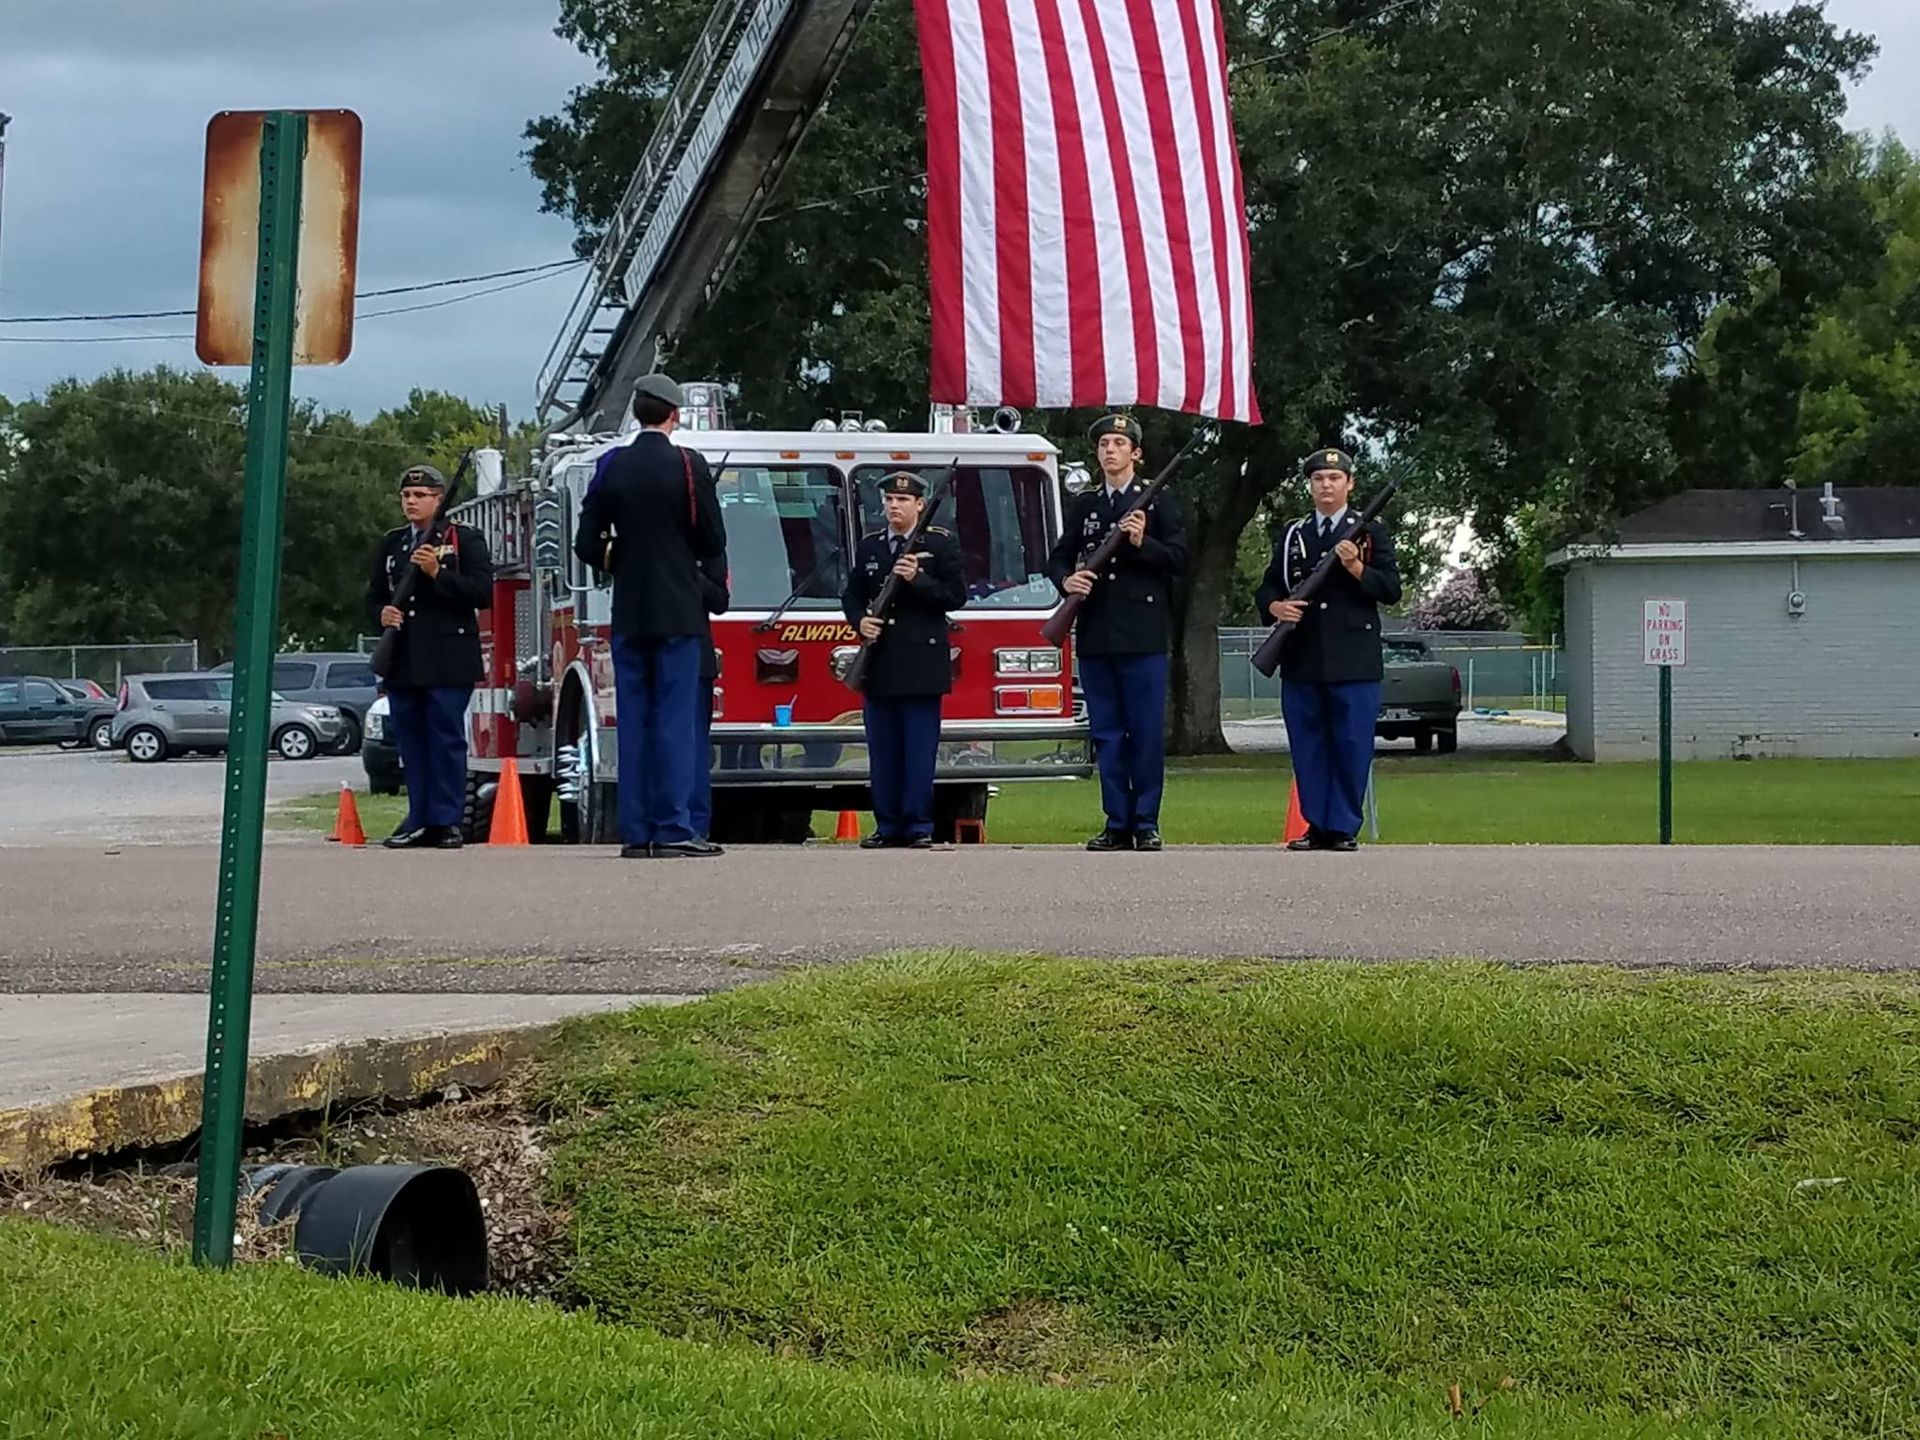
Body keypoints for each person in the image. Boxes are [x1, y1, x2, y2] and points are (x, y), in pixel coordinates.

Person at [575, 372, 727, 859]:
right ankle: (675, 827)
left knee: (636, 722)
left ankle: (637, 831)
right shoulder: (688, 464)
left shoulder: (610, 464)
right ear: (674, 413)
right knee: (676, 724)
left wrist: (621, 557)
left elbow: (586, 543)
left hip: (630, 611)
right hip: (679, 609)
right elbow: (712, 540)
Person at [1045, 414, 1188, 851]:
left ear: (1136, 453)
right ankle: (1115, 820)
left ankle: (1145, 822)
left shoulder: (1159, 502)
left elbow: (1179, 560)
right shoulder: (1087, 505)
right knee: (1106, 733)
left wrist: (1144, 542)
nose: (1110, 450)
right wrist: (1066, 582)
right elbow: (1058, 557)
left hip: (1142, 636)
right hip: (1096, 634)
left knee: (1143, 732)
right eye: (1104, 443)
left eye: (1119, 443)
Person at [1255, 447, 1403, 852]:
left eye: (1335, 479)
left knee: (1351, 744)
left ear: (1350, 484)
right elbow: (1269, 585)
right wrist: (1274, 607)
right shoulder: (1293, 535)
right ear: (1310, 485)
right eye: (1319, 478)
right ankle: (1316, 825)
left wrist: (1357, 568)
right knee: (1309, 745)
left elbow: (1390, 588)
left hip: (1352, 657)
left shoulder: (1370, 532)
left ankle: (1342, 827)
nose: (1326, 485)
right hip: (1303, 656)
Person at [365, 462, 495, 849]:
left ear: (439, 499)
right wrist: (381, 614)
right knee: (411, 742)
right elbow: (373, 595)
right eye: (406, 495)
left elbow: (480, 591)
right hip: (404, 656)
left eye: (420, 496)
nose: (411, 502)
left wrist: (438, 572)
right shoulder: (393, 543)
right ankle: (418, 817)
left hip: (447, 656)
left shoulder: (464, 539)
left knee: (445, 740)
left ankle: (446, 820)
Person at [840, 471, 968, 848]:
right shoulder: (872, 547)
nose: (894, 507)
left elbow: (955, 596)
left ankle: (917, 824)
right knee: (884, 749)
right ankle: (888, 823)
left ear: (919, 505)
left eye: (902, 501)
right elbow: (852, 594)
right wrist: (860, 621)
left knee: (917, 750)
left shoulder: (940, 545)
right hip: (879, 663)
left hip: (920, 663)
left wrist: (918, 579)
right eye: (889, 501)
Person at [689, 551, 729, 842]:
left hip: (695, 659)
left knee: (694, 746)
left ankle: (695, 827)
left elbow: (720, 602)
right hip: (652, 654)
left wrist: (691, 576)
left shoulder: (707, 547)